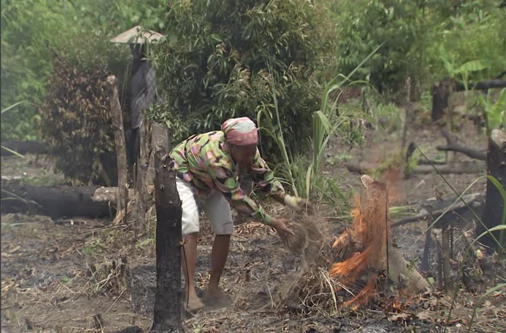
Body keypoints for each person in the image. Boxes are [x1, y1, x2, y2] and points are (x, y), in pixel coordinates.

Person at [169, 117, 307, 311]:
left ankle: (213, 288)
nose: (250, 157)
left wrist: (289, 200)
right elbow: (238, 200)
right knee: (190, 225)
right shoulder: (217, 158)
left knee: (225, 227)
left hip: (211, 181)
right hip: (184, 175)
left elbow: (264, 177)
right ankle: (190, 291)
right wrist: (272, 221)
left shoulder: (249, 151)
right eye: (246, 153)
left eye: (253, 151)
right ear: (231, 147)